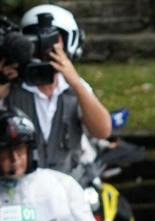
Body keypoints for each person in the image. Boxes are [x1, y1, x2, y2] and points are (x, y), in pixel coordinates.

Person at [6, 5, 110, 175]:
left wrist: (75, 82)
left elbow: (102, 131)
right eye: (36, 42)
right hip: (22, 188)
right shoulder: (12, 87)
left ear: (69, 43)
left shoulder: (74, 88)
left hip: (68, 187)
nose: (45, 49)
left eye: (53, 40)